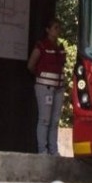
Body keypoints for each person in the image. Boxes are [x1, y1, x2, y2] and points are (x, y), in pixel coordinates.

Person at [26, 18, 66, 155]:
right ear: (47, 30)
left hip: (59, 88)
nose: (58, 30)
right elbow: (31, 65)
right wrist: (41, 77)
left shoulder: (60, 48)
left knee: (55, 121)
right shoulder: (41, 45)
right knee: (45, 120)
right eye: (55, 27)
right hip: (45, 87)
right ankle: (42, 151)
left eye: (59, 27)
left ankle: (54, 151)